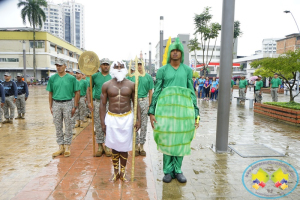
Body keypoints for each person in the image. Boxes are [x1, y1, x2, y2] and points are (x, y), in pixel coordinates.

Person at [148, 38, 200, 183]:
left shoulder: (187, 70)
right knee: (167, 138)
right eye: (173, 50)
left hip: (184, 110)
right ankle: (167, 171)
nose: (175, 53)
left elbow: (191, 91)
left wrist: (196, 113)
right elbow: (157, 91)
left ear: (181, 53)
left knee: (181, 138)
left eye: (178, 51)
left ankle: (178, 170)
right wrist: (152, 112)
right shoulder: (162, 70)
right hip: (166, 110)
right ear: (169, 53)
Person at [100, 60, 141, 182]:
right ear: (112, 68)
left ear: (125, 69)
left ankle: (123, 172)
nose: (118, 68)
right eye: (116, 66)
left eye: (121, 66)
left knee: (124, 146)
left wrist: (138, 119)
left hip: (127, 118)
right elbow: (102, 105)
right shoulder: (106, 85)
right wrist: (102, 122)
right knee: (114, 146)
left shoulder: (131, 84)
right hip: (112, 118)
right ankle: (116, 172)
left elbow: (136, 102)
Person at [46, 58, 80, 157]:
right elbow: (50, 92)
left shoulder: (71, 78)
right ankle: (60, 146)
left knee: (68, 125)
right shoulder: (53, 78)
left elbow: (77, 92)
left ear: (65, 66)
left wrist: (75, 106)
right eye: (57, 65)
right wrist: (50, 106)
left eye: (60, 65)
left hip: (68, 103)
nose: (58, 67)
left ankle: (67, 146)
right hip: (56, 103)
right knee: (58, 125)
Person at [126, 61, 154, 156]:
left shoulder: (148, 77)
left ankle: (142, 145)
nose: (139, 66)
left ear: (143, 65)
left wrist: (150, 105)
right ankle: (136, 145)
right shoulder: (131, 76)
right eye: (137, 64)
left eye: (140, 64)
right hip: (134, 101)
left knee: (144, 124)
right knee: (134, 123)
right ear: (135, 66)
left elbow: (150, 92)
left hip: (144, 100)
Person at [87, 58, 112, 157]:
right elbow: (88, 89)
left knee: (109, 125)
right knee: (98, 124)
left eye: (107, 64)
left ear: (109, 66)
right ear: (100, 66)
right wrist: (89, 102)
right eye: (103, 64)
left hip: (110, 103)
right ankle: (100, 146)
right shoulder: (94, 76)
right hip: (98, 102)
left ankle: (107, 146)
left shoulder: (112, 76)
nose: (105, 66)